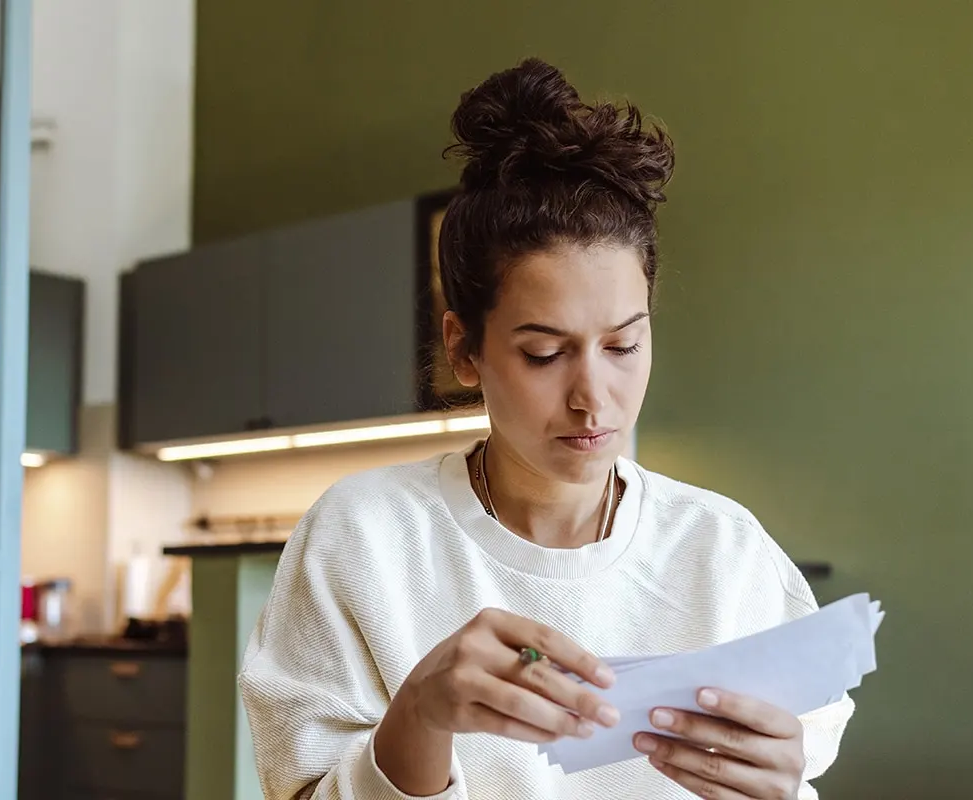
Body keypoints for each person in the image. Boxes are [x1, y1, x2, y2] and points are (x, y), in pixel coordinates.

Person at [238, 58, 853, 799]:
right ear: (464, 348)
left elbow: (799, 768)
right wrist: (423, 716)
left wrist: (781, 791)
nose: (594, 399)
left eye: (624, 345)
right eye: (544, 353)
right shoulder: (364, 538)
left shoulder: (726, 553)